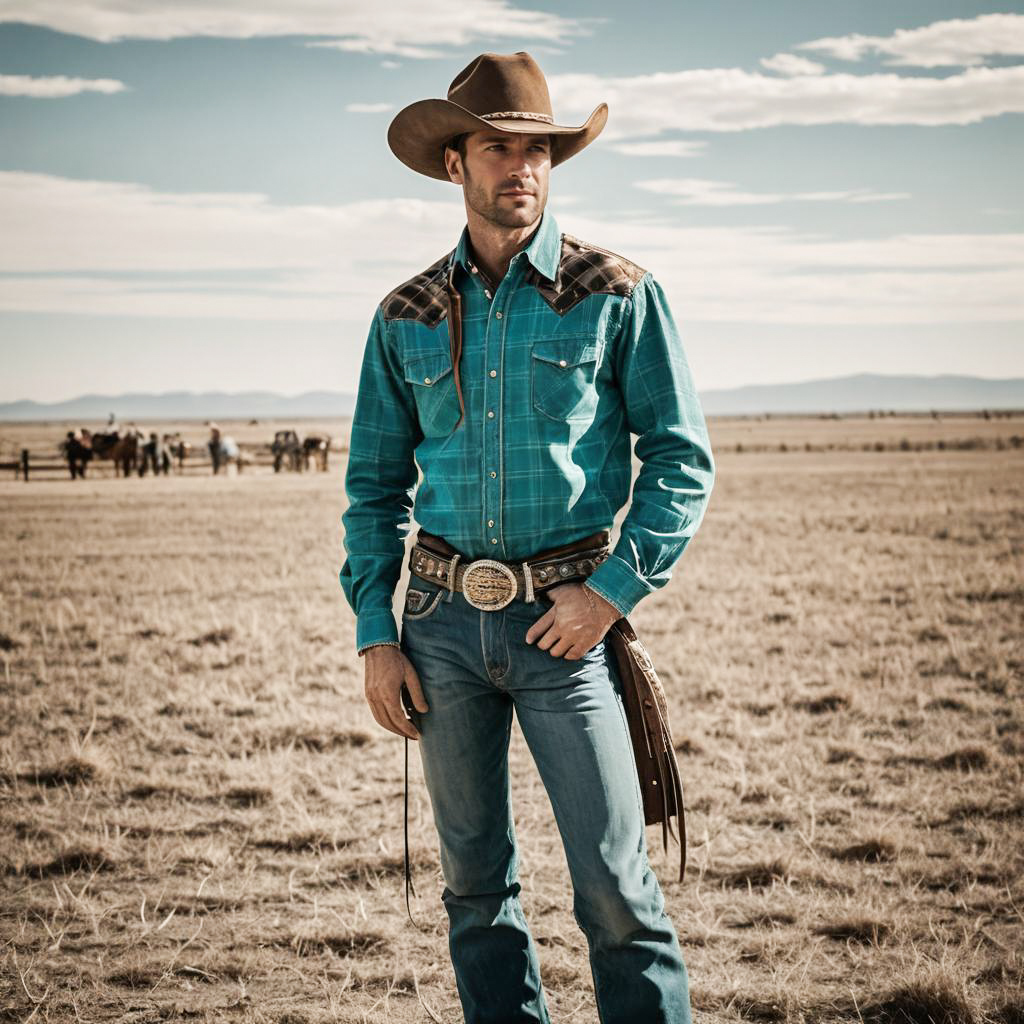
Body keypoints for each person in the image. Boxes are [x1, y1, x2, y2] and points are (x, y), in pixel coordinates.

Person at [339, 51, 714, 1024]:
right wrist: (377, 636)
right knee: (474, 887)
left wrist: (613, 594)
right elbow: (372, 489)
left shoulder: (618, 291)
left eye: (537, 149)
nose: (522, 167)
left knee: (614, 889)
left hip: (570, 624)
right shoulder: (404, 314)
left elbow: (681, 457)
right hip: (438, 626)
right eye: (499, 147)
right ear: (456, 163)